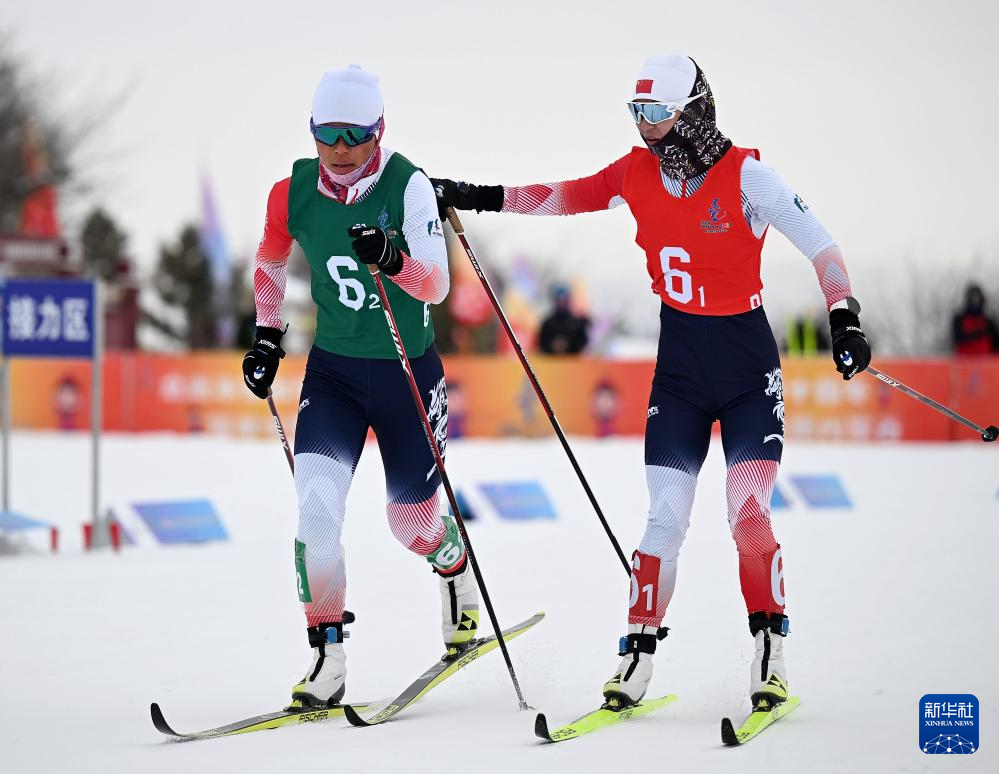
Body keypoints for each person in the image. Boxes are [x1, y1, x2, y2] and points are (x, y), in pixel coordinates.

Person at [431, 54, 871, 711]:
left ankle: (769, 651)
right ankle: (635, 653)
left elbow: (822, 247)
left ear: (693, 112)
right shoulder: (635, 172)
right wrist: (477, 195)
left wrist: (843, 317)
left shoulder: (747, 175)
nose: (645, 128)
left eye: (657, 114)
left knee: (746, 513)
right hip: (680, 374)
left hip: (747, 372)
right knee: (664, 517)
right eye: (637, 113)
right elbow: (564, 196)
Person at [241, 65, 479, 708]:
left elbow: (437, 286)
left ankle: (454, 568)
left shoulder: (408, 186)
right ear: (312, 132)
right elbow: (269, 261)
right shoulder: (290, 192)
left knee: (411, 524)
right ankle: (328, 655)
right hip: (335, 375)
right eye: (328, 134)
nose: (341, 149)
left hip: (407, 373)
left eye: (355, 134)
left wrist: (393, 259)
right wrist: (267, 336)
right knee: (317, 511)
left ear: (379, 130)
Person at [538, 284, 590, 354]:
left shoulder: (577, 323)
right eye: (559, 300)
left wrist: (568, 345)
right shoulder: (548, 323)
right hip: (552, 359)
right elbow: (542, 343)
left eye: (564, 300)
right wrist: (553, 346)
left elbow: (583, 342)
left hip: (572, 359)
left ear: (568, 301)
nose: (561, 303)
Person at [952, 283, 998, 355]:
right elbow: (958, 338)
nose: (975, 301)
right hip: (965, 359)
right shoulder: (959, 319)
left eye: (977, 298)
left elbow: (995, 343)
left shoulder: (989, 321)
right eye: (972, 298)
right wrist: (976, 334)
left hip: (986, 359)